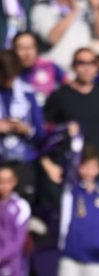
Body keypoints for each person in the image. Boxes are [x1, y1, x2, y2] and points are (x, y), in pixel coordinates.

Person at [43, 47, 99, 185]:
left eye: (91, 63)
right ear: (73, 66)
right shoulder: (59, 96)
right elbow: (43, 133)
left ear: (97, 67)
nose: (87, 68)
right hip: (69, 172)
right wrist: (48, 165)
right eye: (81, 63)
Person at [56, 124, 99, 276]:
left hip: (95, 261)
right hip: (70, 258)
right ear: (79, 168)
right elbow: (70, 169)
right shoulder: (71, 191)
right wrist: (76, 140)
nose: (89, 171)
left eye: (93, 167)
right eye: (85, 167)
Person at [0, 49, 44, 205]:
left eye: (11, 76)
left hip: (24, 163)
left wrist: (26, 129)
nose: (8, 81)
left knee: (23, 210)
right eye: (4, 76)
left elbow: (40, 133)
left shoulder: (27, 92)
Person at [31, 0, 99, 71]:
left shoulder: (85, 5)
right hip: (55, 73)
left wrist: (96, 8)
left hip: (81, 71)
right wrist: (74, 11)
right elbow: (52, 38)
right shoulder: (43, 8)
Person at [12, 31, 67, 107]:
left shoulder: (49, 65)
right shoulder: (9, 72)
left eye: (31, 47)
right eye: (22, 48)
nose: (27, 53)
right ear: (14, 50)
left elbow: (70, 85)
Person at [0, 162, 31, 276]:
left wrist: (2, 255)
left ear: (15, 181)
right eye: (1, 181)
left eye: (8, 181)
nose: (4, 185)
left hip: (13, 266)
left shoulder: (21, 206)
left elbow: (18, 241)